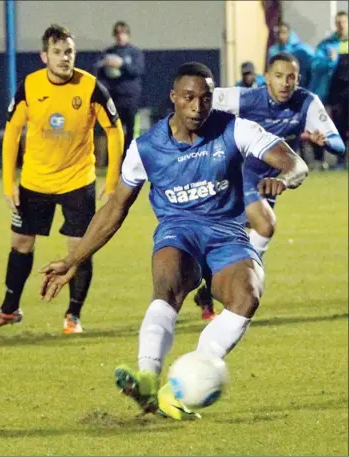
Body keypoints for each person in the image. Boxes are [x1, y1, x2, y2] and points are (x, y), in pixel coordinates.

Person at [40, 62, 309, 420]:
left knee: (247, 295)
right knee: (168, 282)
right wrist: (73, 259)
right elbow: (114, 208)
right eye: (189, 98)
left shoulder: (234, 129)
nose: (198, 106)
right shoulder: (147, 148)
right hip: (178, 230)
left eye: (205, 98)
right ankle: (147, 378)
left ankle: (179, 390)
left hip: (226, 233)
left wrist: (285, 179)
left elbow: (295, 163)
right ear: (174, 99)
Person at [0, 24, 124, 334]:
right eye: (58, 52)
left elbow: (114, 130)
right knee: (20, 243)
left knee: (80, 247)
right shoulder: (29, 87)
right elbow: (11, 134)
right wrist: (9, 182)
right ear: (44, 56)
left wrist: (112, 179)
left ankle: (73, 315)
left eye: (69, 52)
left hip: (77, 181)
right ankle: (9, 310)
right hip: (35, 181)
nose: (64, 58)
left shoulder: (90, 87)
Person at [194, 52, 345, 318]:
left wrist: (324, 141)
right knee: (265, 225)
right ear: (266, 78)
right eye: (278, 76)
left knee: (233, 240)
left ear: (298, 79)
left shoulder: (306, 102)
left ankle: (207, 290)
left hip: (269, 183)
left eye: (291, 77)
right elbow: (201, 98)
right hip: (236, 175)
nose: (285, 83)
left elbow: (338, 144)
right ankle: (242, 283)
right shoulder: (247, 98)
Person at [95, 21, 145, 157]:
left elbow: (138, 70)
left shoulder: (135, 53)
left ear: (127, 35)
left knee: (131, 132)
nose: (120, 36)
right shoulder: (108, 53)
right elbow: (99, 74)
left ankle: (129, 161)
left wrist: (122, 64)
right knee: (114, 131)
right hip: (114, 99)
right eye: (117, 33)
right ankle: (114, 161)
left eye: (123, 33)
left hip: (130, 99)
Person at [309, 11, 348, 170]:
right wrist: (330, 61)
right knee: (337, 126)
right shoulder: (327, 44)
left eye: (343, 22)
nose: (341, 25)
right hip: (335, 93)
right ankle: (339, 161)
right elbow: (315, 65)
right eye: (338, 22)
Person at [268, 22, 314, 89]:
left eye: (283, 32)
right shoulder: (273, 50)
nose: (281, 36)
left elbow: (313, 67)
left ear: (289, 33)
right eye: (278, 33)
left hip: (300, 85)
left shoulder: (301, 49)